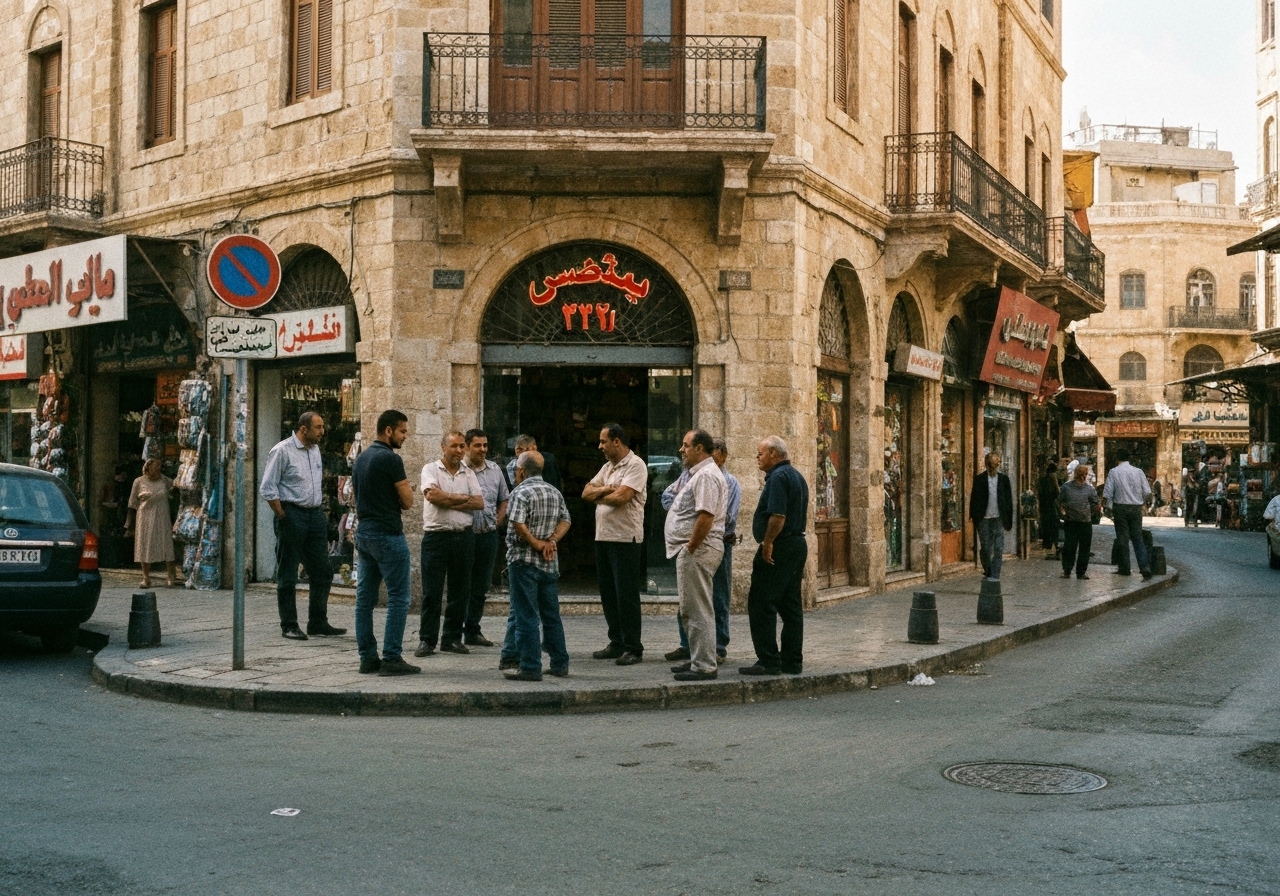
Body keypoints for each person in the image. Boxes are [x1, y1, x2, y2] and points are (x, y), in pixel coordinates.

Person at [260, 411, 345, 640]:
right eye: (318, 427)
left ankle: (318, 622)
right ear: (303, 428)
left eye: (323, 427)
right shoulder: (282, 451)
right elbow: (268, 487)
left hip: (314, 514)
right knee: (288, 572)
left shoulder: (315, 450)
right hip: (292, 513)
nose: (322, 432)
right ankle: (288, 624)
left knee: (323, 570)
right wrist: (282, 514)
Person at [351, 410, 419, 676]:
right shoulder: (391, 459)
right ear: (388, 430)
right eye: (402, 431)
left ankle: (367, 657)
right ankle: (392, 657)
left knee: (364, 600)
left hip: (364, 532)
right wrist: (405, 490)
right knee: (399, 598)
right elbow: (408, 502)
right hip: (388, 534)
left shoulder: (361, 458)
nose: (405, 437)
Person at [662, 438, 740, 663]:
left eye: (685, 445)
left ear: (699, 449)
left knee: (700, 609)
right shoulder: (697, 475)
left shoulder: (706, 476)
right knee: (692, 608)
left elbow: (706, 516)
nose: (681, 450)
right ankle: (697, 658)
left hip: (699, 549)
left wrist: (690, 547)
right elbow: (669, 498)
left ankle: (704, 663)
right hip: (695, 549)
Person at [739, 436, 809, 677]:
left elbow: (778, 516)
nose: (757, 458)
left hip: (781, 544)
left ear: (773, 453)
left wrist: (767, 543)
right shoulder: (796, 476)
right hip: (796, 544)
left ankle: (768, 660)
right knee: (790, 605)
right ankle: (792, 660)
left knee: (761, 602)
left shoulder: (779, 477)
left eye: (760, 453)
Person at [582, 422, 649, 665]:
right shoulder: (607, 467)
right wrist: (608, 489)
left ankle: (633, 646)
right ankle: (616, 641)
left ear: (617, 441)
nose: (600, 446)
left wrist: (601, 494)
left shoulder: (635, 464)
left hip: (625, 538)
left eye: (603, 441)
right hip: (603, 537)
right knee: (609, 593)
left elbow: (623, 497)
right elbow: (585, 493)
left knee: (626, 594)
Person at [503, 451, 572, 682]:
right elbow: (566, 520)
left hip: (524, 561)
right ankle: (560, 663)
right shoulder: (554, 491)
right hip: (549, 564)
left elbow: (518, 525)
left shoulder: (519, 492)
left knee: (526, 615)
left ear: (521, 471)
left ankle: (530, 666)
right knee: (551, 614)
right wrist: (551, 541)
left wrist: (536, 543)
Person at [414, 431, 483, 657]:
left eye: (462, 446)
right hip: (437, 537)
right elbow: (432, 496)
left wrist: (449, 500)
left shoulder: (469, 473)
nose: (459, 451)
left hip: (463, 537)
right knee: (432, 592)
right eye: (454, 446)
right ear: (443, 447)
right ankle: (427, 640)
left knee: (460, 591)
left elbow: (479, 503)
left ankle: (452, 638)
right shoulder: (430, 469)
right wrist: (463, 499)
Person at [462, 428, 509, 647]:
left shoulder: (495, 470)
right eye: (478, 446)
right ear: (467, 446)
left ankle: (473, 630)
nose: (483, 450)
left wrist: (498, 521)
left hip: (488, 535)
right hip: (465, 535)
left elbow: (504, 499)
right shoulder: (460, 470)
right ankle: (454, 631)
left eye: (485, 445)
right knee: (462, 584)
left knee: (481, 585)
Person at [125, 458, 177, 588]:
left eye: (159, 468)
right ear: (147, 469)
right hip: (145, 517)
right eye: (155, 468)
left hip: (162, 516)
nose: (158, 471)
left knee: (166, 544)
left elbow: (176, 487)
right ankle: (146, 577)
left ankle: (171, 576)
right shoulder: (139, 482)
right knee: (145, 545)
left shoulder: (164, 480)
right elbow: (132, 503)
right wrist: (128, 525)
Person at [1102, 448, 1153, 580]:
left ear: (1117, 458)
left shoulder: (1114, 472)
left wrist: (1107, 507)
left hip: (1120, 508)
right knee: (1137, 539)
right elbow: (1147, 492)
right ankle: (1145, 567)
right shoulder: (1139, 472)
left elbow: (1107, 493)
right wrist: (1144, 504)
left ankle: (1125, 568)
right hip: (1136, 508)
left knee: (1123, 539)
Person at [968, 451, 1013, 580]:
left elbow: (1008, 500)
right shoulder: (979, 479)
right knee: (986, 548)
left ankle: (995, 575)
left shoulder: (1004, 479)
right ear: (988, 464)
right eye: (995, 462)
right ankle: (988, 570)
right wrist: (974, 517)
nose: (997, 464)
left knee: (998, 548)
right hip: (984, 518)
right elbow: (974, 498)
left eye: (998, 462)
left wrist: (1008, 519)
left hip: (998, 518)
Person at [1058, 463, 1100, 580]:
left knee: (1077, 547)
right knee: (1076, 548)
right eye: (1083, 474)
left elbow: (1095, 503)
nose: (1084, 476)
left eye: (1085, 474)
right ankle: (1074, 571)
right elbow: (1061, 501)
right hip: (1078, 521)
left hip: (1079, 522)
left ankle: (1073, 571)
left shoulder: (1085, 488)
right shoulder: (1070, 487)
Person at [1037, 462, 1060, 556]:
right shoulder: (1053, 477)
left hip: (1044, 504)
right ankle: (1054, 543)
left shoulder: (1042, 479)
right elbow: (1057, 491)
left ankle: (1046, 543)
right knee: (1053, 524)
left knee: (1045, 523)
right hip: (1051, 504)